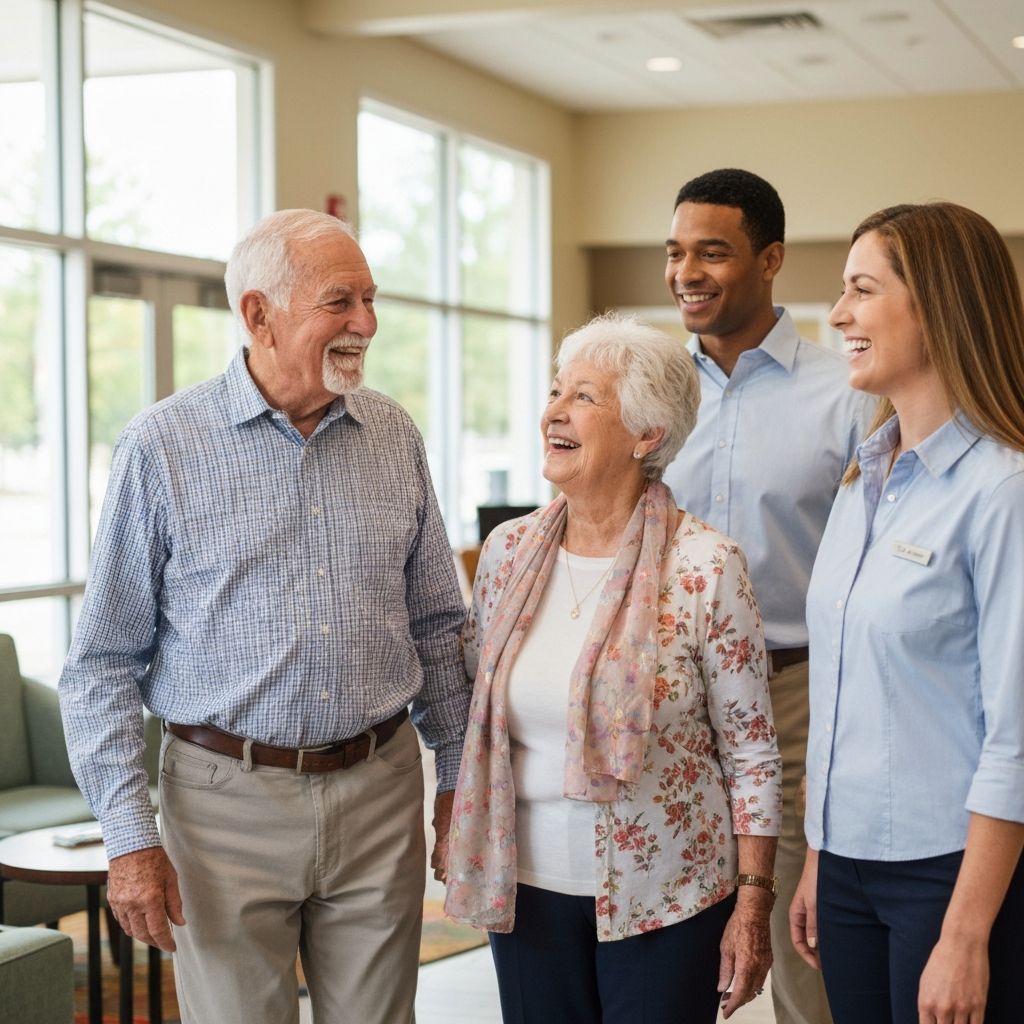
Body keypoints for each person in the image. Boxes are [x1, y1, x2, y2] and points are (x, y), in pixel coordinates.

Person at [58, 209, 470, 1024]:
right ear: (259, 314)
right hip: (223, 807)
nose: (366, 324)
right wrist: (130, 837)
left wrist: (458, 778)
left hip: (381, 791)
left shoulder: (394, 435)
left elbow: (436, 625)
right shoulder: (162, 447)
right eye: (340, 302)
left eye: (370, 300)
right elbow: (102, 662)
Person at [443, 312, 783, 1023]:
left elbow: (750, 752)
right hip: (526, 889)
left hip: (667, 894)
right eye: (555, 392)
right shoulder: (507, 553)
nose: (554, 412)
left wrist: (754, 903)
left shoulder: (706, 566)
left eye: (584, 397)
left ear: (647, 435)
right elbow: (477, 706)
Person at [790, 202, 1024, 1024]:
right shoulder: (864, 479)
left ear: (939, 305)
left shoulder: (1003, 490)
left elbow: (1017, 735)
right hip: (845, 867)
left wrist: (964, 933)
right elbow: (841, 689)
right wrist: (820, 858)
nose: (838, 315)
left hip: (953, 876)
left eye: (862, 290)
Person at [662, 167, 869, 1024]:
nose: (687, 273)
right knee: (666, 943)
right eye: (676, 252)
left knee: (801, 948)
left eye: (712, 252)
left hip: (795, 697)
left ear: (771, 259)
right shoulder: (651, 393)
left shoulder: (846, 393)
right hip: (668, 698)